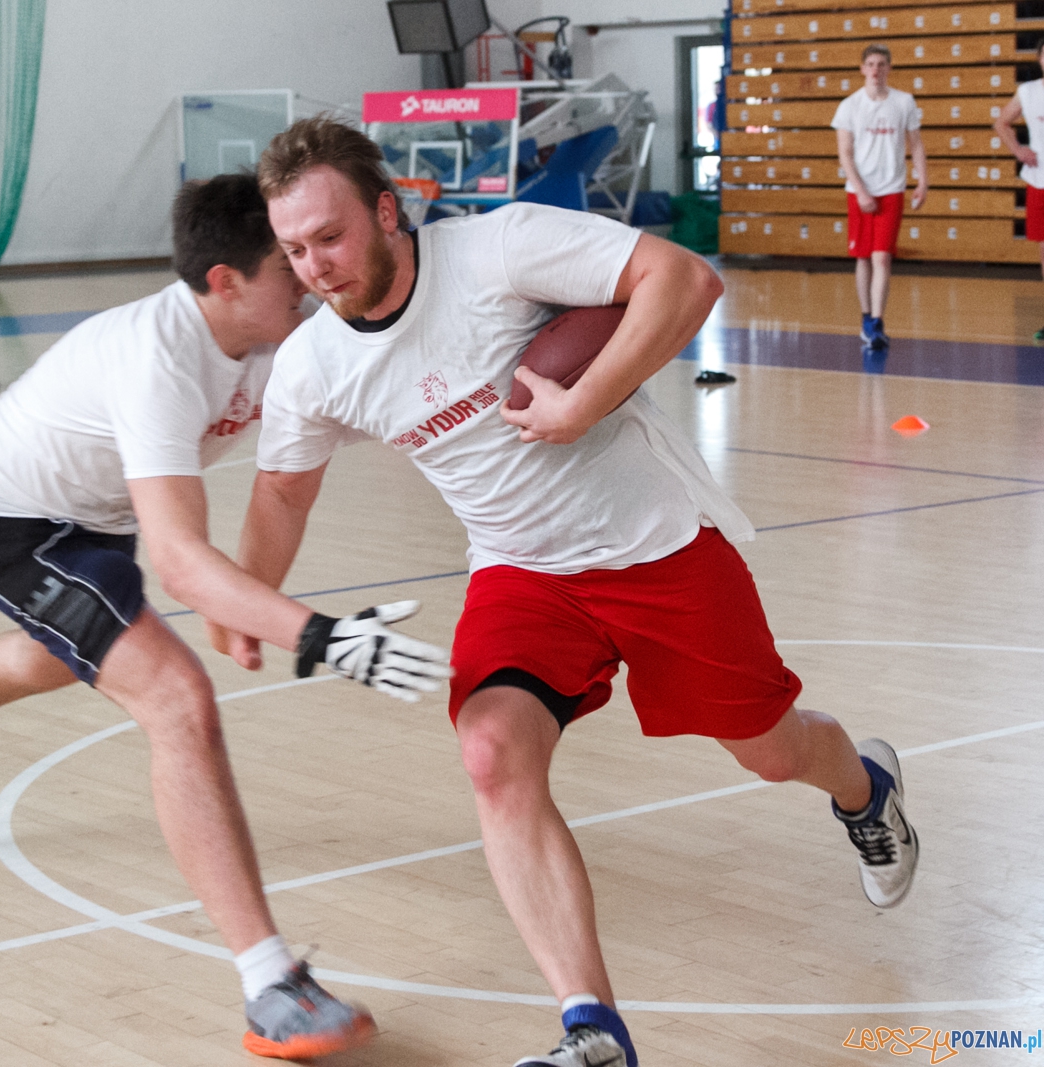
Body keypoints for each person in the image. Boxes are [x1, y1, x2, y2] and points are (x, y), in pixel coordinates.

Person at [224, 118, 919, 1067]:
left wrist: (581, 405)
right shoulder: (314, 364)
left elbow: (684, 279)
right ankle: (592, 1031)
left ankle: (867, 790)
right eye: (295, 249)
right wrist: (246, 599)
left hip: (657, 548)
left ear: (387, 211)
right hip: (520, 571)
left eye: (331, 237)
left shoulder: (499, 248)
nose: (315, 265)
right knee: (490, 752)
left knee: (771, 748)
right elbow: (282, 488)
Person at [0, 174, 451, 1059]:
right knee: (176, 697)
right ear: (224, 281)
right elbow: (181, 560)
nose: (305, 277)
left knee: (61, 649)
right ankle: (271, 986)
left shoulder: (276, 335)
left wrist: (249, 602)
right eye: (284, 265)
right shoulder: (160, 361)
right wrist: (319, 635)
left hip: (94, 520)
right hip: (6, 521)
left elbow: (317, 453)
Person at [832, 44, 927, 351]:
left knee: (882, 256)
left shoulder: (904, 102)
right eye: (871, 64)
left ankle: (877, 321)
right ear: (862, 69)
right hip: (860, 191)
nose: (876, 69)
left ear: (889, 68)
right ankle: (865, 318)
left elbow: (916, 145)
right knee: (863, 257)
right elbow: (845, 153)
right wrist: (860, 190)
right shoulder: (849, 106)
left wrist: (922, 181)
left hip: (892, 188)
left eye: (882, 64)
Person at [995, 43, 1044, 342]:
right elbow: (1001, 122)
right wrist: (1017, 149)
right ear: (1039, 59)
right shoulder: (1028, 91)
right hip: (1039, 180)